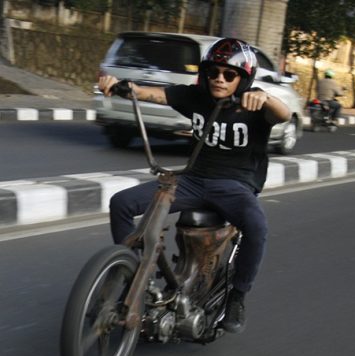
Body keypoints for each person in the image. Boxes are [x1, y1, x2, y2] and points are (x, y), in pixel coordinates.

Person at [98, 38, 290, 333]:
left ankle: (238, 297)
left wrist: (265, 98)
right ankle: (132, 275)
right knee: (121, 203)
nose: (219, 79)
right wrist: (121, 86)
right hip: (192, 179)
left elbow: (283, 114)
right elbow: (155, 94)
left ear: (243, 79)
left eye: (229, 74)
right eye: (213, 72)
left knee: (257, 227)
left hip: (235, 185)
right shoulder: (196, 96)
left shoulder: (253, 103)